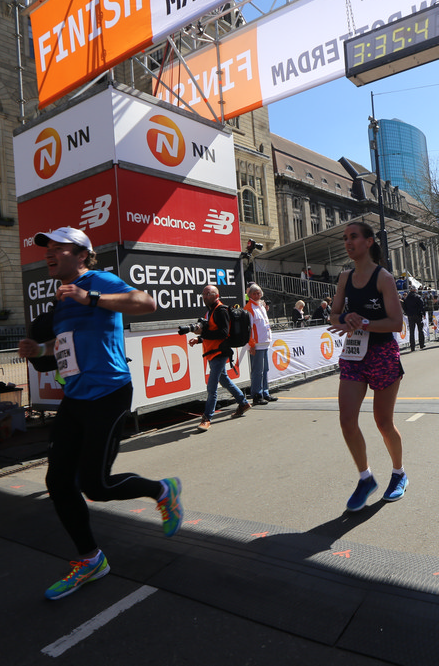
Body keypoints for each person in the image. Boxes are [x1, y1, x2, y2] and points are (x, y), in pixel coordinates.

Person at [16, 226, 181, 601]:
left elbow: (147, 303)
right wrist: (38, 350)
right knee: (58, 482)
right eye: (47, 248)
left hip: (109, 393)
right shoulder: (61, 298)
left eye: (58, 248)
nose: (49, 253)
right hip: (75, 397)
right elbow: (65, 343)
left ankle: (162, 490)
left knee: (97, 486)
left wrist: (89, 297)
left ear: (81, 254)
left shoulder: (96, 281)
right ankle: (90, 559)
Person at [328, 222, 407, 510]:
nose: (348, 242)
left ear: (369, 242)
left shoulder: (383, 277)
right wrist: (345, 319)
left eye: (354, 237)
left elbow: (396, 323)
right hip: (353, 354)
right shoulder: (344, 277)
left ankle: (398, 473)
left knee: (383, 422)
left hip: (382, 353)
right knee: (347, 420)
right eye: (345, 238)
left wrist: (363, 322)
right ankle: (365, 478)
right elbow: (334, 316)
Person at [189, 284, 252, 431]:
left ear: (216, 296)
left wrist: (202, 334)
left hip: (219, 353)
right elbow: (213, 332)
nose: (204, 297)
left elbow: (223, 333)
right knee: (224, 380)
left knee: (211, 387)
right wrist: (199, 339)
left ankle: (207, 418)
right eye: (203, 294)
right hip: (213, 352)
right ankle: (243, 403)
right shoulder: (210, 311)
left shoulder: (221, 311)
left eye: (208, 294)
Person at [243, 284, 277, 405]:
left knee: (265, 369)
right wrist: (252, 344)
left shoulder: (261, 306)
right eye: (254, 293)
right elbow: (249, 329)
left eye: (258, 293)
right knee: (257, 371)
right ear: (250, 295)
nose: (257, 295)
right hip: (257, 344)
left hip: (264, 342)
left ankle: (265, 392)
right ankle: (257, 395)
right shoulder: (249, 308)